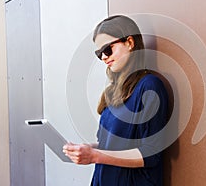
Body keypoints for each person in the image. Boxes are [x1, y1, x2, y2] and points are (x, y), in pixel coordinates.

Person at [63, 15, 169, 186]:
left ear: (129, 42)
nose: (104, 57)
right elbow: (113, 145)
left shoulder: (149, 86)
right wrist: (88, 149)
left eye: (108, 49)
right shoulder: (113, 92)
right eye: (99, 54)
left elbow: (150, 154)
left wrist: (95, 155)